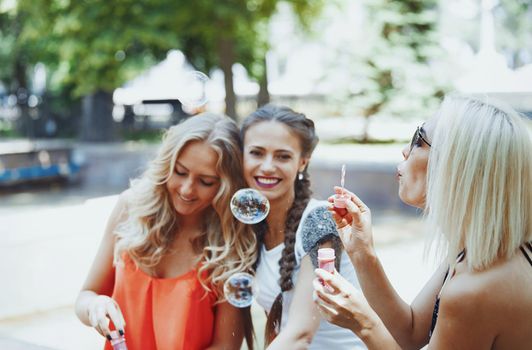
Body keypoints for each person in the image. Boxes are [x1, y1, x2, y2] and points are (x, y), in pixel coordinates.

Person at [313, 95, 532, 349]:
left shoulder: (475, 289)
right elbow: (411, 332)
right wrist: (362, 252)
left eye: (419, 139)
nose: (405, 150)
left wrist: (363, 323)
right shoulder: (482, 252)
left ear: (457, 167)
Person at [75, 113, 257, 350]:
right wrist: (95, 306)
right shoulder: (130, 207)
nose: (187, 189)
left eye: (206, 181)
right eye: (180, 172)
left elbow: (226, 345)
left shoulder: (230, 241)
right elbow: (86, 296)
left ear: (226, 185)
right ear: (166, 164)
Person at [240, 104, 366, 349]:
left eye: (283, 156)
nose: (267, 166)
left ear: (302, 162)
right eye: (256, 153)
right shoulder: (251, 228)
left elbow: (300, 334)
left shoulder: (320, 221)